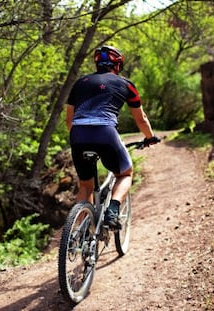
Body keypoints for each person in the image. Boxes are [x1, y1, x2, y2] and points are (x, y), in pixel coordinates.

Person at [66, 45, 159, 229]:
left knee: (85, 185)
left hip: (78, 134)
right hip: (105, 133)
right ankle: (112, 211)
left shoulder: (80, 83)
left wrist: (81, 138)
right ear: (117, 65)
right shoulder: (126, 84)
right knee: (125, 173)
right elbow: (141, 119)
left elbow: (69, 120)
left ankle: (80, 233)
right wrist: (150, 137)